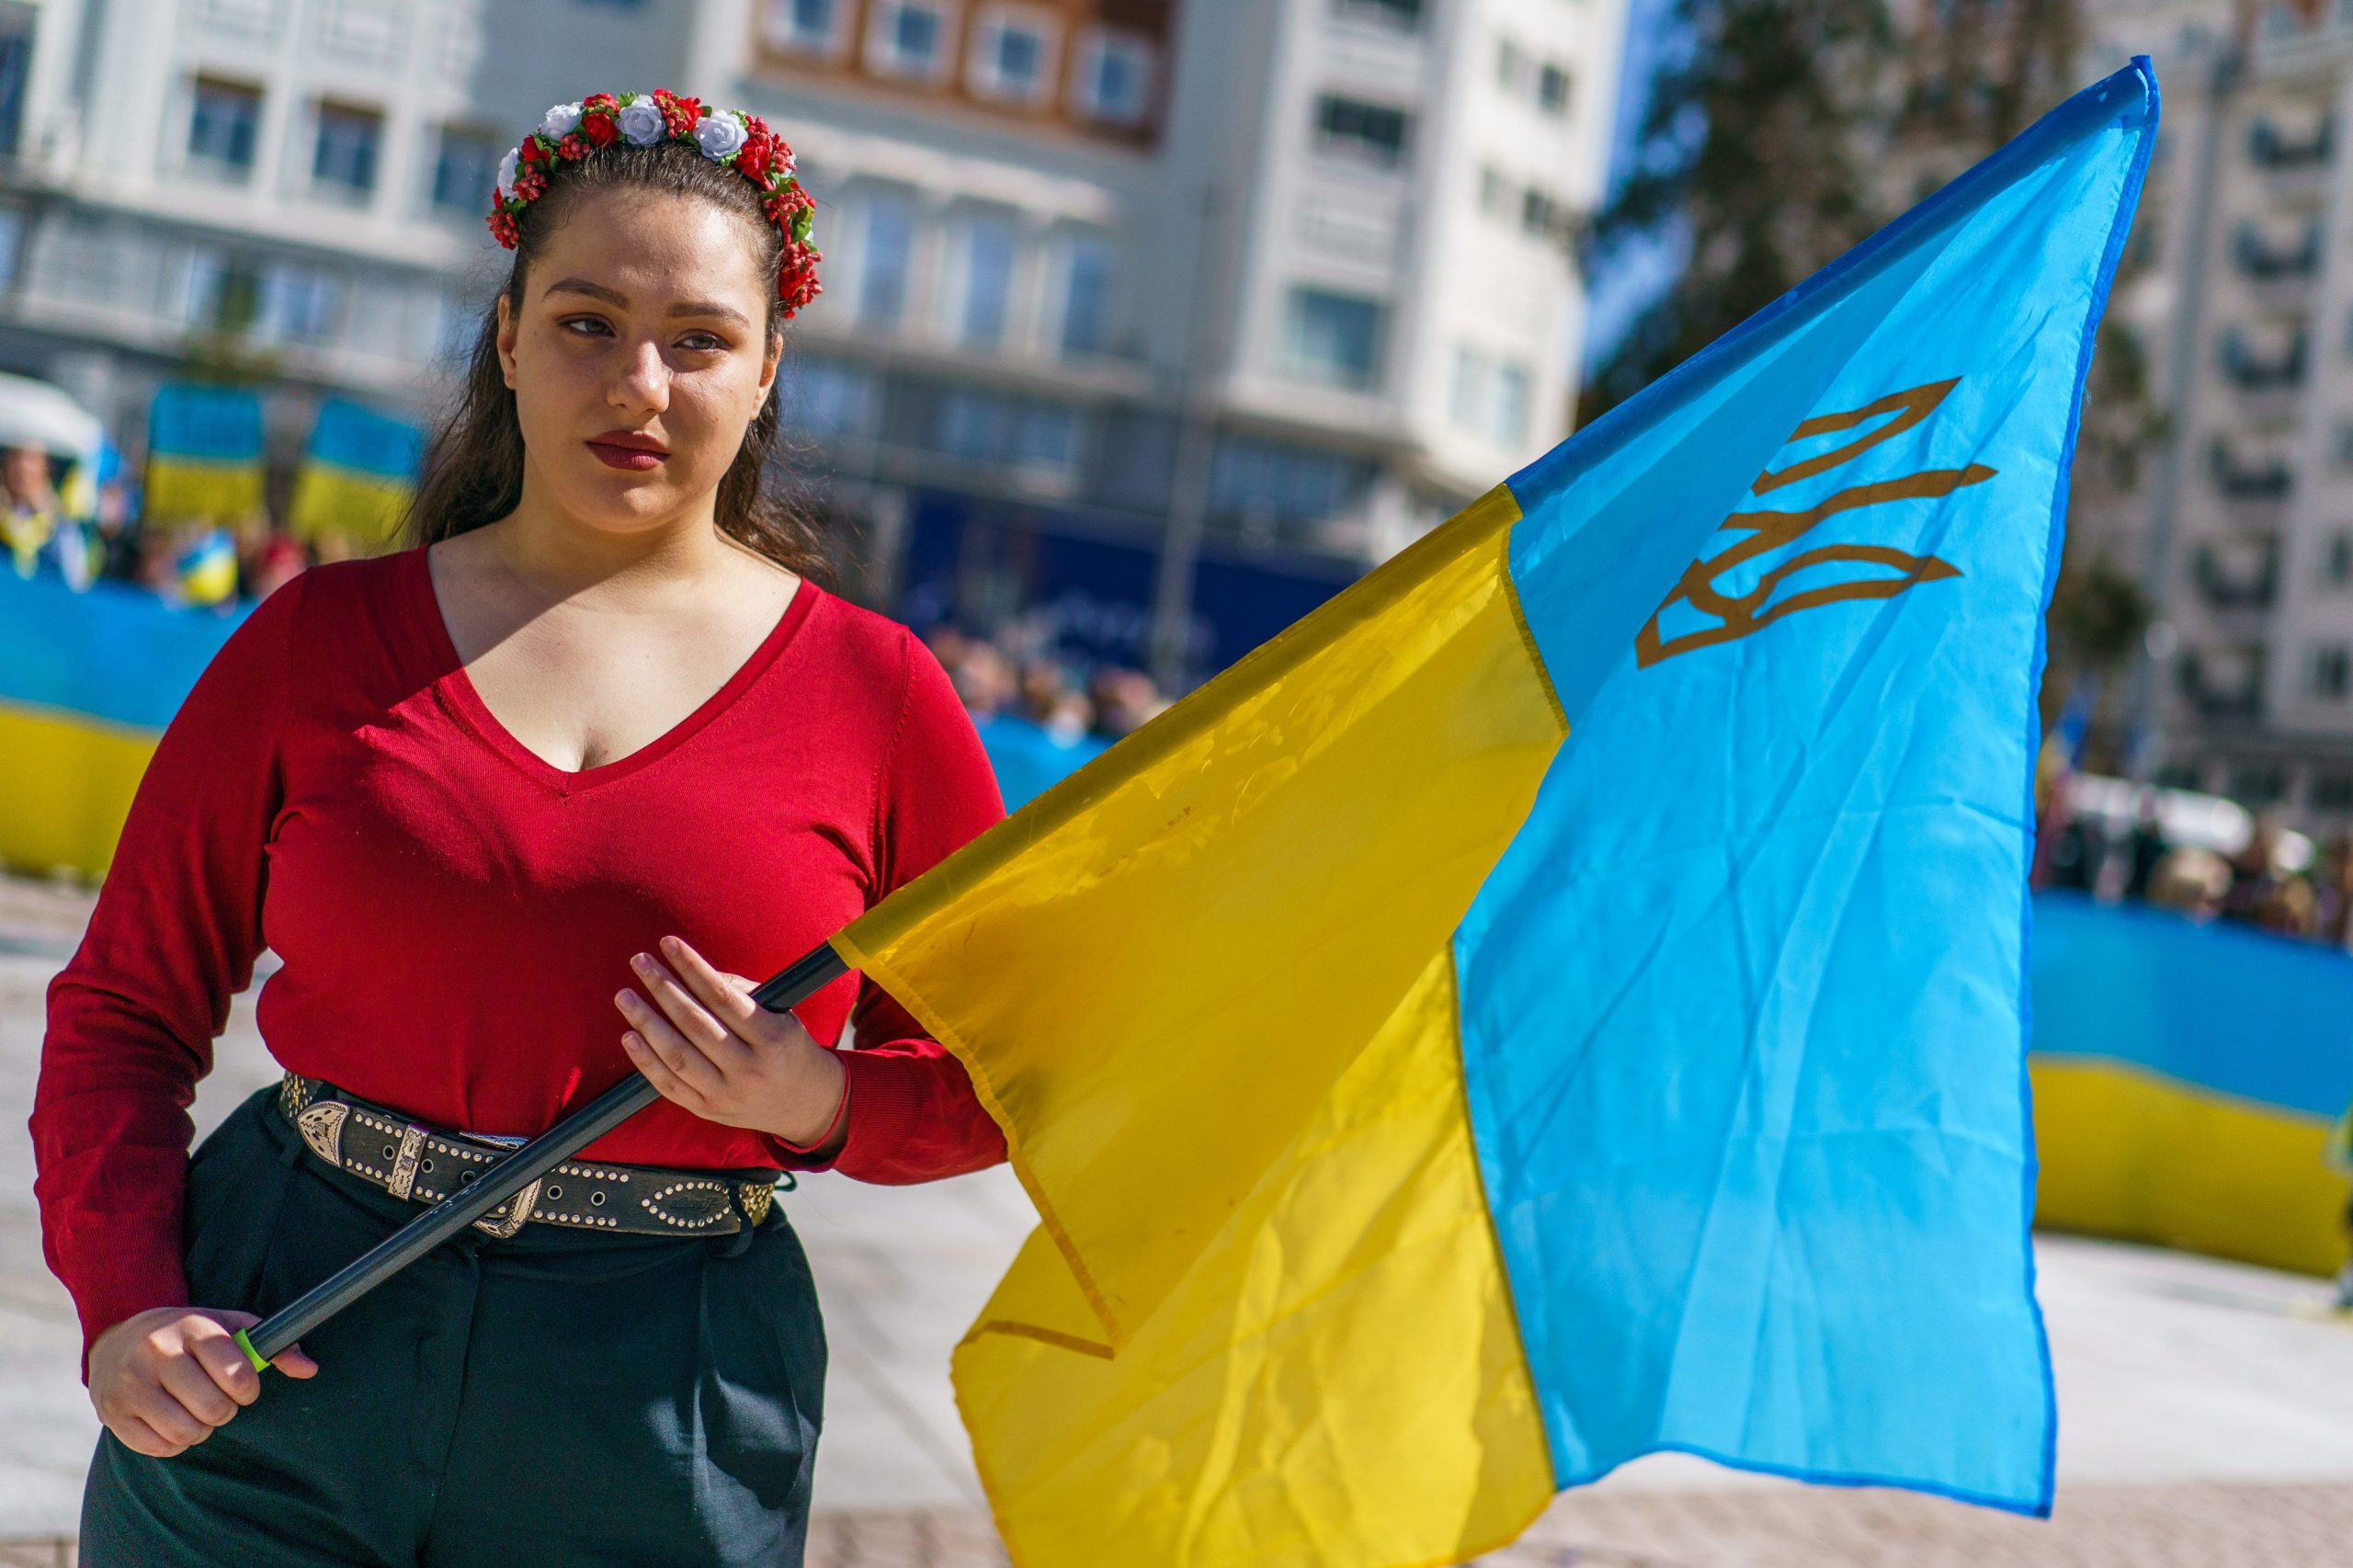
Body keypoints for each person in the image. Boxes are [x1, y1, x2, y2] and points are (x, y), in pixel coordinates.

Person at [32, 90, 1005, 1567]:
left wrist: (820, 1099)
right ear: (505, 337)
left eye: (698, 339)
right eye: (586, 322)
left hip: (660, 1404)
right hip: (282, 1339)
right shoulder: (318, 640)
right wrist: (123, 1300)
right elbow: (121, 1004)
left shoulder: (879, 696)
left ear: (767, 371)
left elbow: (1007, 1075)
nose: (642, 383)